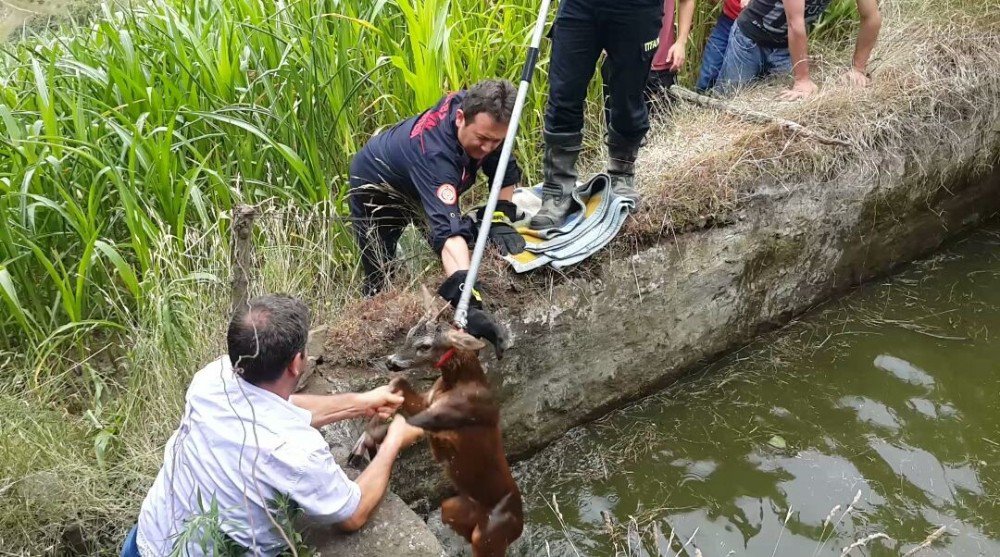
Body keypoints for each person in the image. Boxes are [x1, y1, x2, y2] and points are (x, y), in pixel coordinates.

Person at [120, 295, 425, 556]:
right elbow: (352, 514)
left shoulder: (212, 379)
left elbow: (278, 409)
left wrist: (359, 403)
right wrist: (394, 440)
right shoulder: (298, 453)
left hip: (145, 540)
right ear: (296, 363)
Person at [348, 79, 521, 349]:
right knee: (380, 273)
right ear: (461, 118)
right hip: (376, 185)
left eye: (496, 140)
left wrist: (500, 216)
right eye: (483, 139)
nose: (488, 148)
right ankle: (369, 338)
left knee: (473, 245)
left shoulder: (487, 113)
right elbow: (448, 234)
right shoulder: (436, 156)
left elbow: (505, 169)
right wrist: (469, 304)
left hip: (419, 175)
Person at [530, 0, 665, 228]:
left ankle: (621, 174)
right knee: (564, 93)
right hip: (580, 6)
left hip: (638, 8)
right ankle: (557, 190)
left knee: (628, 97)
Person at [715, 0, 882, 100]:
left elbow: (871, 16)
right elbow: (795, 24)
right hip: (748, 39)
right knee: (729, 98)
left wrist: (858, 69)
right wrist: (802, 80)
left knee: (784, 104)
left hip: (784, 47)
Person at [644, 0, 697, 104]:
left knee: (662, 118)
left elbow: (686, 1)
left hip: (661, 63)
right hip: (620, 62)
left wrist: (681, 42)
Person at [695, 0, 747, 92]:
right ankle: (697, 101)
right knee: (707, 74)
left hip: (750, 27)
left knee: (730, 84)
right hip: (727, 20)